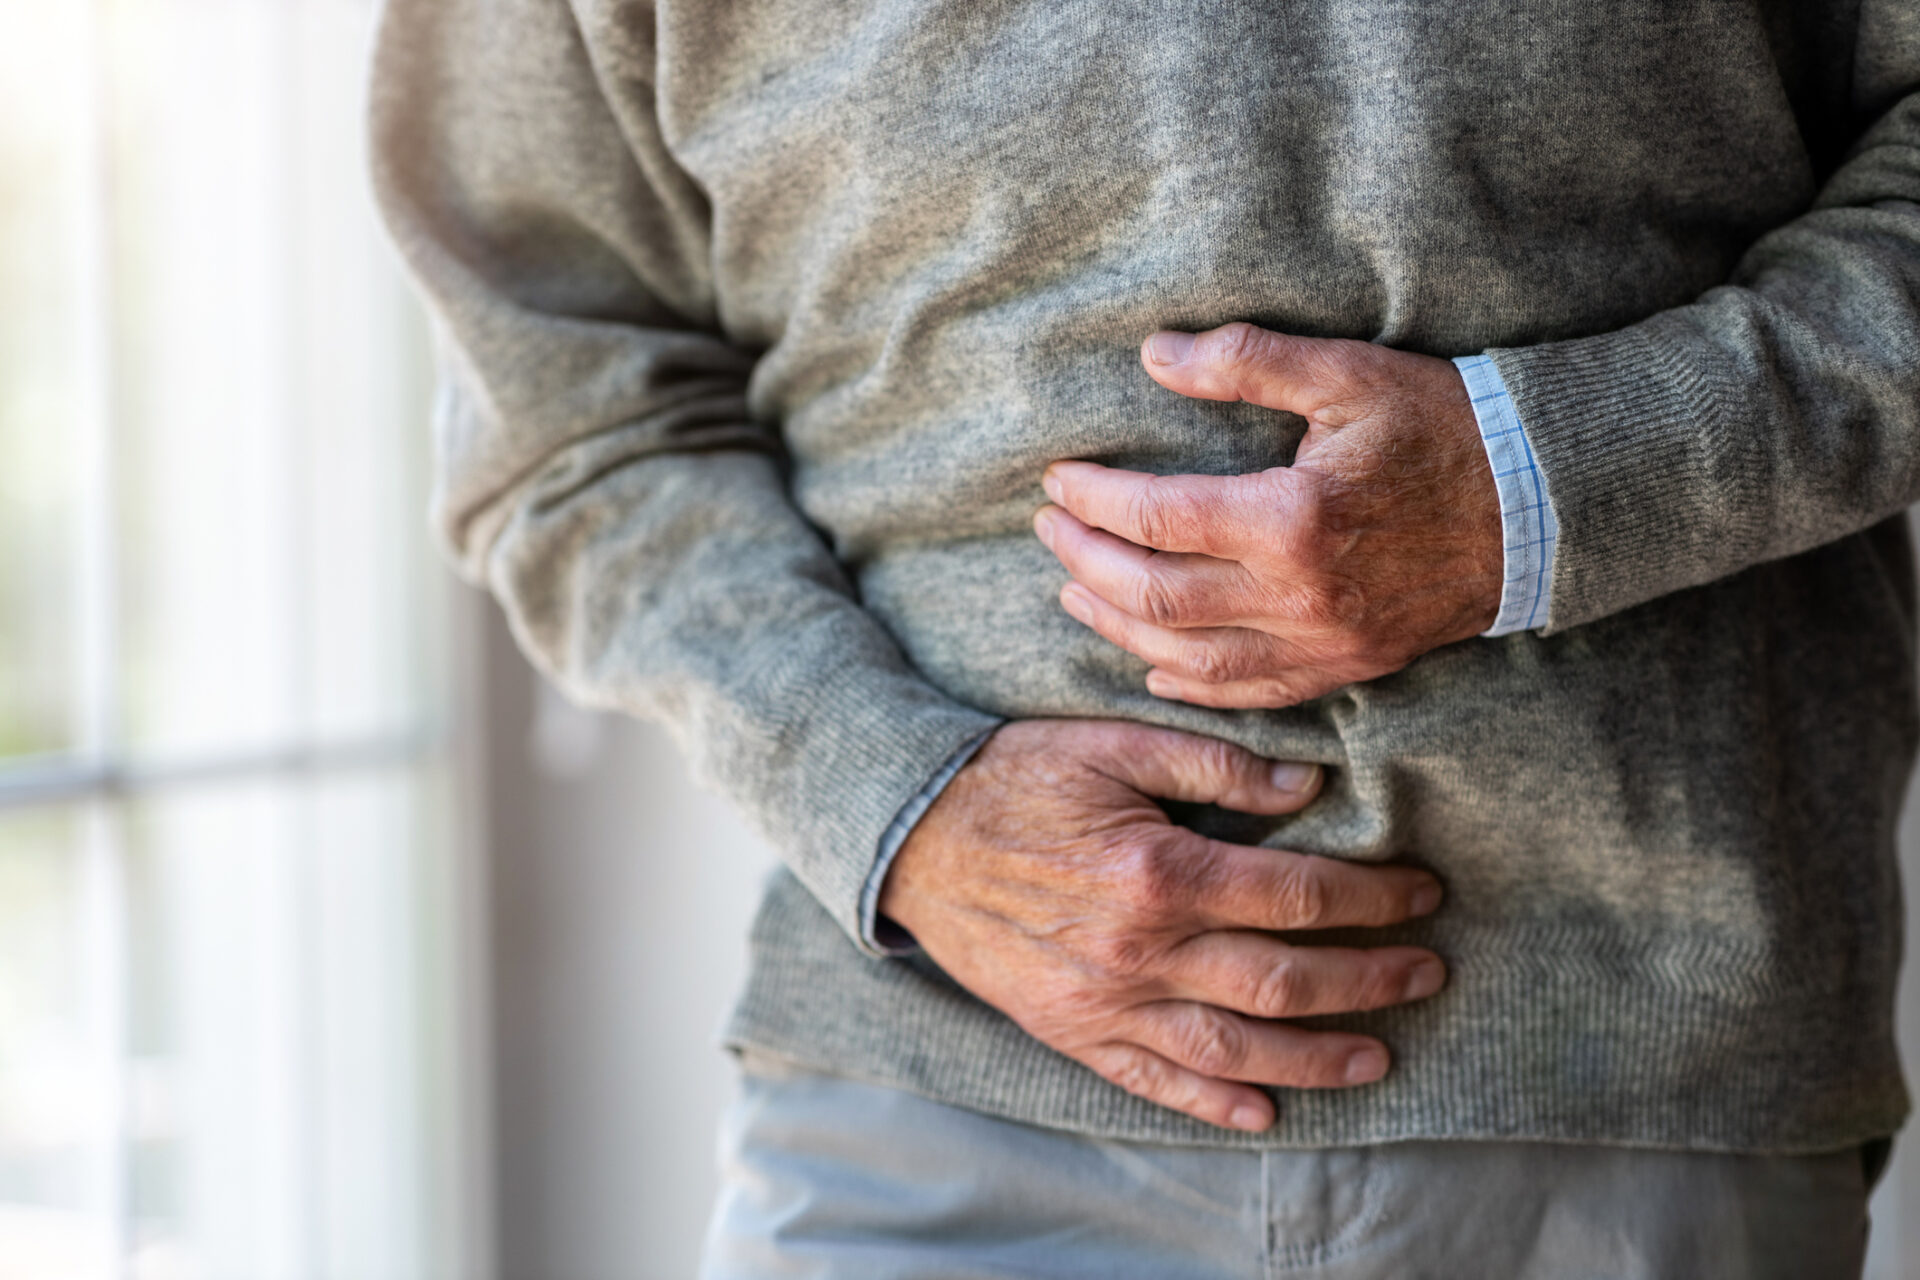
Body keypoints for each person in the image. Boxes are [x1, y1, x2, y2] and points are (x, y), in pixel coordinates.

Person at [370, 1, 1920, 1274]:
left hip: (1646, 1101)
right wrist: (889, 800)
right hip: (922, 1118)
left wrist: (1559, 481)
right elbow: (566, 413)